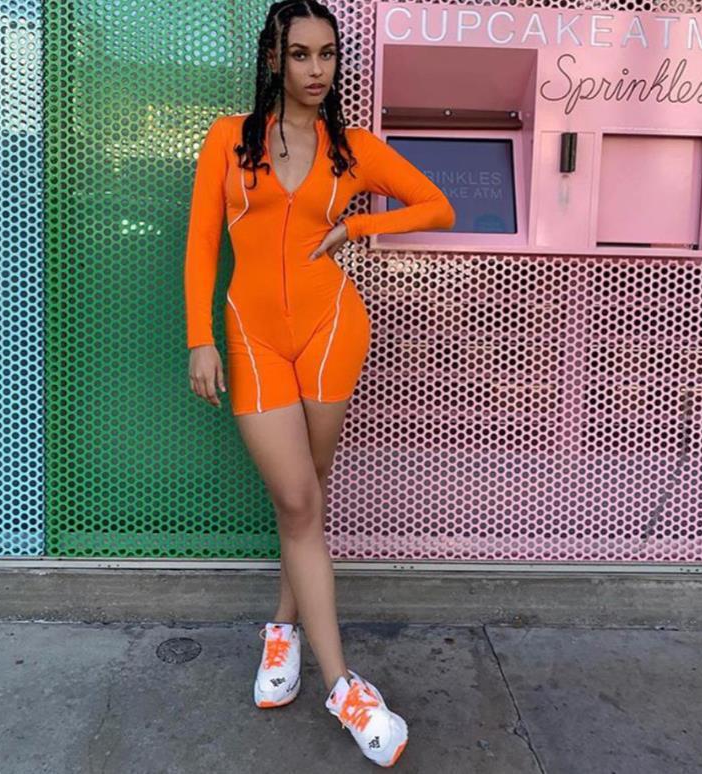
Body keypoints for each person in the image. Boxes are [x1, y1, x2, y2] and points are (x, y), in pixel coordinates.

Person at [184, 1, 454, 767]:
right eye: (299, 53)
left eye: (327, 54)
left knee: (305, 497)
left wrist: (358, 227)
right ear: (273, 58)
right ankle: (342, 685)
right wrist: (200, 338)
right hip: (252, 336)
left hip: (333, 331)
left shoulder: (352, 148)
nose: (315, 69)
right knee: (300, 501)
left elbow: (438, 207)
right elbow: (202, 242)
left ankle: (284, 628)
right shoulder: (228, 138)